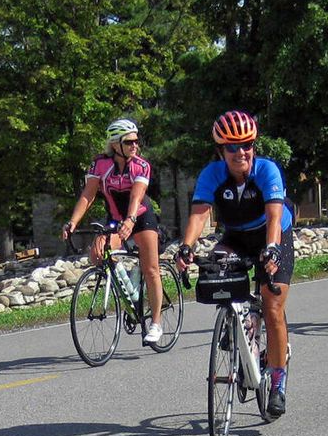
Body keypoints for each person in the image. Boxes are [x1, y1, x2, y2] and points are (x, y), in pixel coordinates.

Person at [176, 110, 294, 418]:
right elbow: (199, 214)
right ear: (221, 151)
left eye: (247, 145)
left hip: (273, 235)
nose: (240, 152)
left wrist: (272, 249)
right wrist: (187, 247)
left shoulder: (267, 170)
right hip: (237, 237)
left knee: (272, 304)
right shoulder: (212, 174)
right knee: (217, 264)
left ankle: (278, 382)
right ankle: (239, 322)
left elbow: (274, 217)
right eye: (232, 147)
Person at [62, 118, 167, 346]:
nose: (135, 145)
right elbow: (88, 195)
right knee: (97, 254)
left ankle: (156, 323)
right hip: (116, 218)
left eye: (136, 141)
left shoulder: (141, 165)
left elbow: (137, 195)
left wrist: (131, 219)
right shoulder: (100, 164)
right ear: (115, 144)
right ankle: (129, 286)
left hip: (141, 217)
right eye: (129, 142)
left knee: (151, 269)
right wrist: (73, 221)